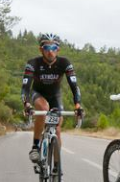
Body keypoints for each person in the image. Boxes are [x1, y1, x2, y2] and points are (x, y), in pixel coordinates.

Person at [21, 34, 83, 163]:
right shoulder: (33, 63)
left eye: (54, 47)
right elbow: (26, 87)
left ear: (58, 49)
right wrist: (26, 103)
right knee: (43, 109)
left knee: (57, 127)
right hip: (38, 93)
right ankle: (35, 146)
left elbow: (74, 86)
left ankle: (56, 167)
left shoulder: (64, 63)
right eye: (46, 47)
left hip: (55, 96)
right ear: (41, 49)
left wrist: (77, 105)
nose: (50, 51)